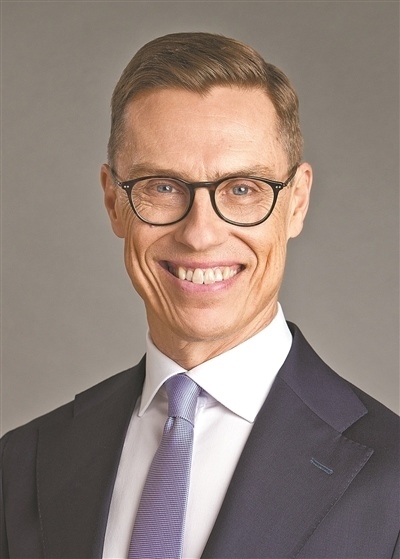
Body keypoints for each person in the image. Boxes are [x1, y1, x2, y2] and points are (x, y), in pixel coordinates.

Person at [1, 32, 399, 559]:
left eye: (242, 188)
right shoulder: (22, 463)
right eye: (163, 186)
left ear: (297, 202)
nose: (200, 234)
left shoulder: (392, 479)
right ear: (114, 201)